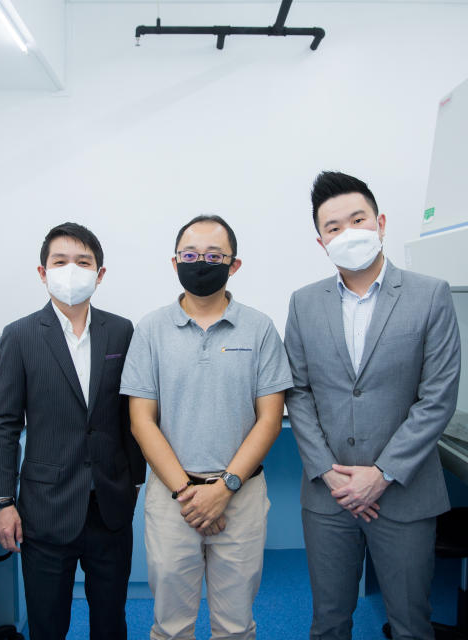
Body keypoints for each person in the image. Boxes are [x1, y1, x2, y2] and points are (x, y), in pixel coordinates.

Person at [284, 171, 461, 640]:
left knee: (410, 625)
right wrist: (327, 471)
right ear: (320, 240)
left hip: (403, 492)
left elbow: (438, 396)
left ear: (380, 222)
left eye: (357, 219)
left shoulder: (430, 295)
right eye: (333, 227)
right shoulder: (303, 304)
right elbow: (297, 392)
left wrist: (380, 474)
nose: (347, 233)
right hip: (329, 494)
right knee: (328, 623)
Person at [120, 215, 293, 640]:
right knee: (171, 627)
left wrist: (224, 488)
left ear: (234, 265)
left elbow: (270, 418)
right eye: (191, 255)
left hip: (241, 495)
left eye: (214, 256)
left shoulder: (260, 328)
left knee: (235, 626)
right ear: (174, 261)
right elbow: (142, 421)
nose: (201, 263)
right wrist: (186, 493)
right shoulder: (150, 330)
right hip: (172, 498)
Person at [0, 222, 146, 640]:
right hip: (45, 508)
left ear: (100, 273)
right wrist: (2, 501)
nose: (71, 270)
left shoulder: (121, 331)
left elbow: (131, 415)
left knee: (110, 622)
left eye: (83, 262)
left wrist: (133, 480)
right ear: (43, 272)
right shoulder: (19, 336)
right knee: (48, 625)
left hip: (109, 506)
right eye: (60, 262)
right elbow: (5, 426)